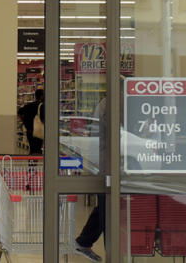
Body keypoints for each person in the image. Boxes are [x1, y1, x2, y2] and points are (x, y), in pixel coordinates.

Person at [74, 96, 107, 262]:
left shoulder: (104, 104)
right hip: (108, 164)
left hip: (107, 162)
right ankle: (84, 242)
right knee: (107, 207)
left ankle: (84, 241)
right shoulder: (109, 105)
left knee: (105, 206)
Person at [17, 87, 44, 155]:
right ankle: (34, 164)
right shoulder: (42, 106)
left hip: (29, 131)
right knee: (37, 150)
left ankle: (31, 164)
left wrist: (24, 121)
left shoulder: (28, 105)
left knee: (32, 149)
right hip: (38, 131)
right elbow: (43, 119)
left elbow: (19, 112)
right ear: (41, 96)